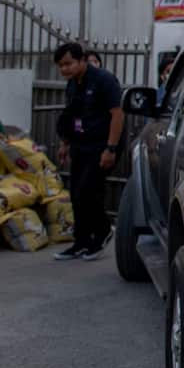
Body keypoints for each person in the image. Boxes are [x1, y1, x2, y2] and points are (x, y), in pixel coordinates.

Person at [53, 42, 125, 261]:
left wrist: (110, 148)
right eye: (61, 65)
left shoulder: (104, 80)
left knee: (89, 190)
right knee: (76, 193)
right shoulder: (73, 84)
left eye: (68, 63)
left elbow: (117, 114)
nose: (64, 69)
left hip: (101, 144)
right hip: (80, 144)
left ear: (82, 60)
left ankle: (102, 232)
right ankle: (81, 242)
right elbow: (72, 115)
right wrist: (65, 143)